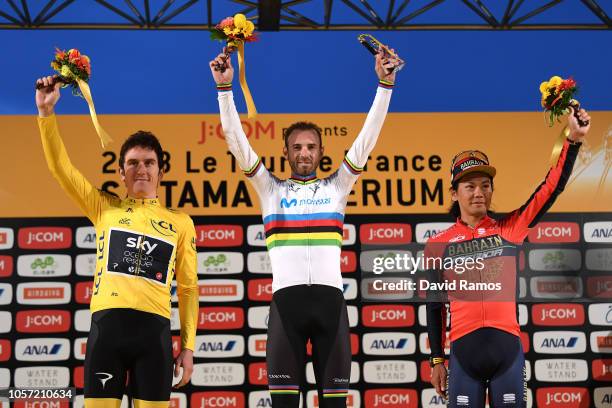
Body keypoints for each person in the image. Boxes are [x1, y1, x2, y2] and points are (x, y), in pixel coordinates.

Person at [209, 50, 400, 406]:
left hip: (331, 306)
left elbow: (367, 139)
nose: (304, 152)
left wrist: (385, 84)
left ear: (321, 151)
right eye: (296, 147)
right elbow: (237, 143)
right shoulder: (270, 189)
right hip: (287, 308)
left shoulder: (337, 186)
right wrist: (224, 89)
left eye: (311, 147)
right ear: (286, 153)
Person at [35, 76, 198, 408]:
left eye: (149, 163)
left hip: (155, 336)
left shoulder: (180, 222)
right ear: (121, 173)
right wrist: (46, 114)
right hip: (107, 331)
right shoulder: (104, 207)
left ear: (160, 171)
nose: (141, 169)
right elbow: (61, 169)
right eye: (133, 163)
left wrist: (189, 348)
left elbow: (189, 287)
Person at [425, 108, 591, 407]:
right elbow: (435, 307)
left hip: (508, 354)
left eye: (485, 186)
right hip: (463, 356)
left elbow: (550, 188)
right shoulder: (438, 244)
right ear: (453, 193)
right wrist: (437, 360)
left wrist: (573, 140)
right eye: (470, 186)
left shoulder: (510, 230)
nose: (479, 193)